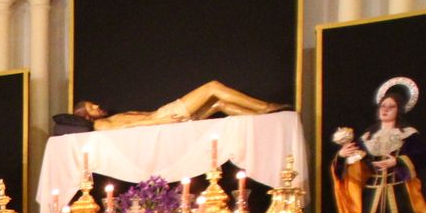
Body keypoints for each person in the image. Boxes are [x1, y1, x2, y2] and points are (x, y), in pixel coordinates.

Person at [330, 77, 426, 213]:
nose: (385, 110)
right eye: (383, 106)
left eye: (390, 107)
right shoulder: (367, 136)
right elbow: (353, 167)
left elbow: (422, 155)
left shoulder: (408, 135)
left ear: (399, 110)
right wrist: (343, 156)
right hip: (371, 195)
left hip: (399, 194)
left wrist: (397, 161)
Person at [72, 80, 288, 131]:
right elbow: (130, 127)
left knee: (218, 104)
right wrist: (162, 121)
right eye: (91, 107)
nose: (97, 106)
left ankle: (265, 117)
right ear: (86, 116)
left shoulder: (110, 118)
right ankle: (264, 107)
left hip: (164, 119)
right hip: (164, 118)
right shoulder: (100, 125)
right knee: (212, 87)